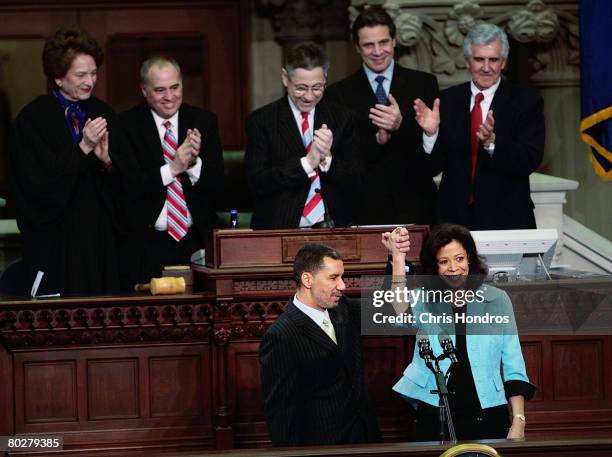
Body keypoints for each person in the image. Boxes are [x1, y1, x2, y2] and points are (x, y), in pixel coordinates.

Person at [382, 224, 535, 441]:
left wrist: (518, 421)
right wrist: (397, 258)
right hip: (436, 412)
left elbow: (514, 365)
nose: (454, 268)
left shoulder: (497, 299)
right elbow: (398, 316)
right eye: (444, 262)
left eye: (459, 259)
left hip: (488, 412)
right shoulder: (423, 299)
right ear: (434, 267)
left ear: (470, 258)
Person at [9, 25, 121, 295]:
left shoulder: (104, 113)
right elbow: (36, 186)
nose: (90, 81)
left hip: (100, 244)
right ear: (58, 78)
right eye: (81, 74)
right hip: (56, 245)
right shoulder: (33, 119)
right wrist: (82, 147)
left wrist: (108, 163)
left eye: (93, 73)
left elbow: (127, 186)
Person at [414, 23, 545, 230]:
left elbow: (529, 160)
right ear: (467, 61)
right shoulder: (447, 101)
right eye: (479, 59)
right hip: (453, 220)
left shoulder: (526, 102)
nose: (486, 67)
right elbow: (432, 168)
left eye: (493, 60)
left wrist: (492, 144)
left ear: (504, 62)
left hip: (507, 219)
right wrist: (430, 135)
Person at [325, 6, 439, 225]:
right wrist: (377, 139)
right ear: (357, 48)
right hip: (361, 209)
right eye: (368, 45)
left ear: (394, 41)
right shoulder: (338, 94)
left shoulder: (423, 84)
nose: (377, 51)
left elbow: (434, 160)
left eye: (383, 42)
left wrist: (403, 126)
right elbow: (340, 159)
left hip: (416, 206)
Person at [259, 243, 381, 446]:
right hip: (322, 447)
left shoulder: (343, 308)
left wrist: (396, 257)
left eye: (341, 277)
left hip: (365, 440)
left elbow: (389, 309)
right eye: (333, 278)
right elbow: (281, 415)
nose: (342, 285)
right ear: (307, 279)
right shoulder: (281, 336)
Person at [117, 56, 224, 285]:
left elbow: (218, 186)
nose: (169, 97)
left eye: (175, 87)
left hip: (197, 240)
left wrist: (193, 165)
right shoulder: (126, 126)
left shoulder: (204, 121)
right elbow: (128, 186)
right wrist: (173, 168)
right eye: (159, 90)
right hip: (147, 244)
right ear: (144, 91)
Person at [245, 43, 363, 229]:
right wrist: (307, 163)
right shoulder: (262, 121)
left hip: (334, 227)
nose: (309, 96)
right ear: (285, 78)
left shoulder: (343, 118)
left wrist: (327, 160)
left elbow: (357, 179)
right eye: (301, 88)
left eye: (317, 87)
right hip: (280, 228)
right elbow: (257, 183)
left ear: (325, 78)